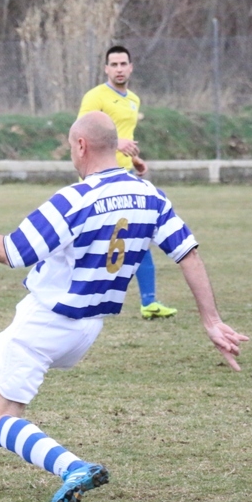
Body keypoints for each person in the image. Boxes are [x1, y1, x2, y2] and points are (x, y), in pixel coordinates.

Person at [0, 112, 248, 502]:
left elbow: (11, 252)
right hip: (87, 327)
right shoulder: (151, 195)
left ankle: (74, 468)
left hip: (47, 320)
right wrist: (211, 320)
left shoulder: (74, 199)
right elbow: (188, 254)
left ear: (80, 146)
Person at [79, 45, 177, 320]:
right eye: (114, 64)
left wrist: (135, 159)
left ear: (131, 67)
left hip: (125, 175)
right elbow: (80, 134)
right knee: (92, 240)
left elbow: (125, 138)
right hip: (98, 177)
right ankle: (76, 295)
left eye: (124, 63)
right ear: (106, 69)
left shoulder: (134, 99)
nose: (119, 68)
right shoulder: (95, 96)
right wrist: (114, 143)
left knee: (141, 234)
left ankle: (149, 302)